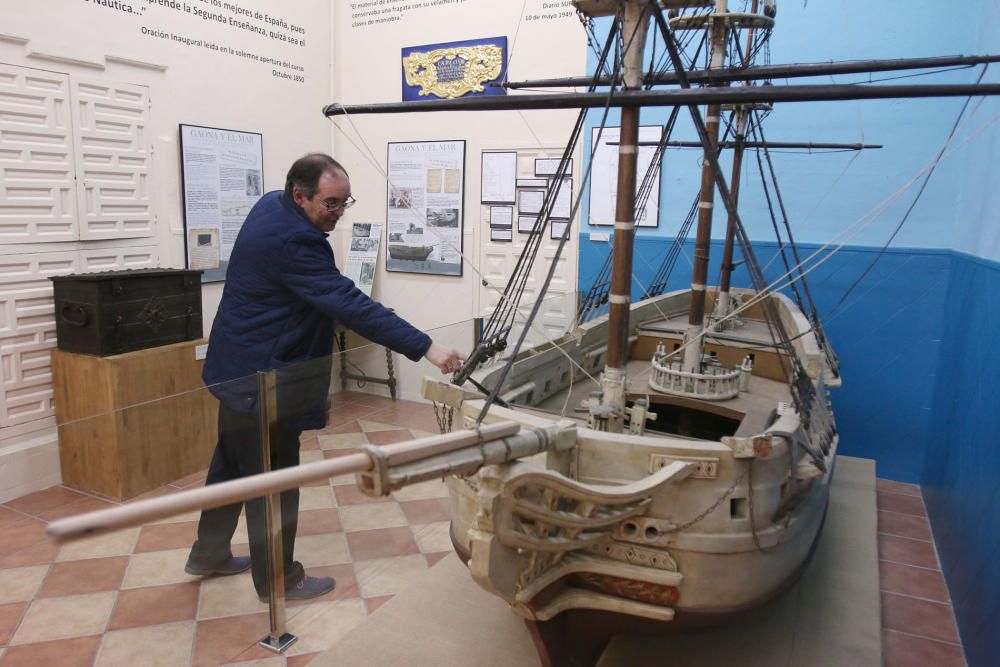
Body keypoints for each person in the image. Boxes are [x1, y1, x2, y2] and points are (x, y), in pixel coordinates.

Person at [185, 153, 464, 600]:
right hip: (264, 381)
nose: (338, 214)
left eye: (344, 202)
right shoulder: (297, 240)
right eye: (331, 204)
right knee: (273, 480)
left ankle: (209, 552)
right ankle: (279, 580)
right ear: (300, 196)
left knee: (232, 467)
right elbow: (348, 303)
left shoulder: (270, 206)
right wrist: (427, 347)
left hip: (236, 368)